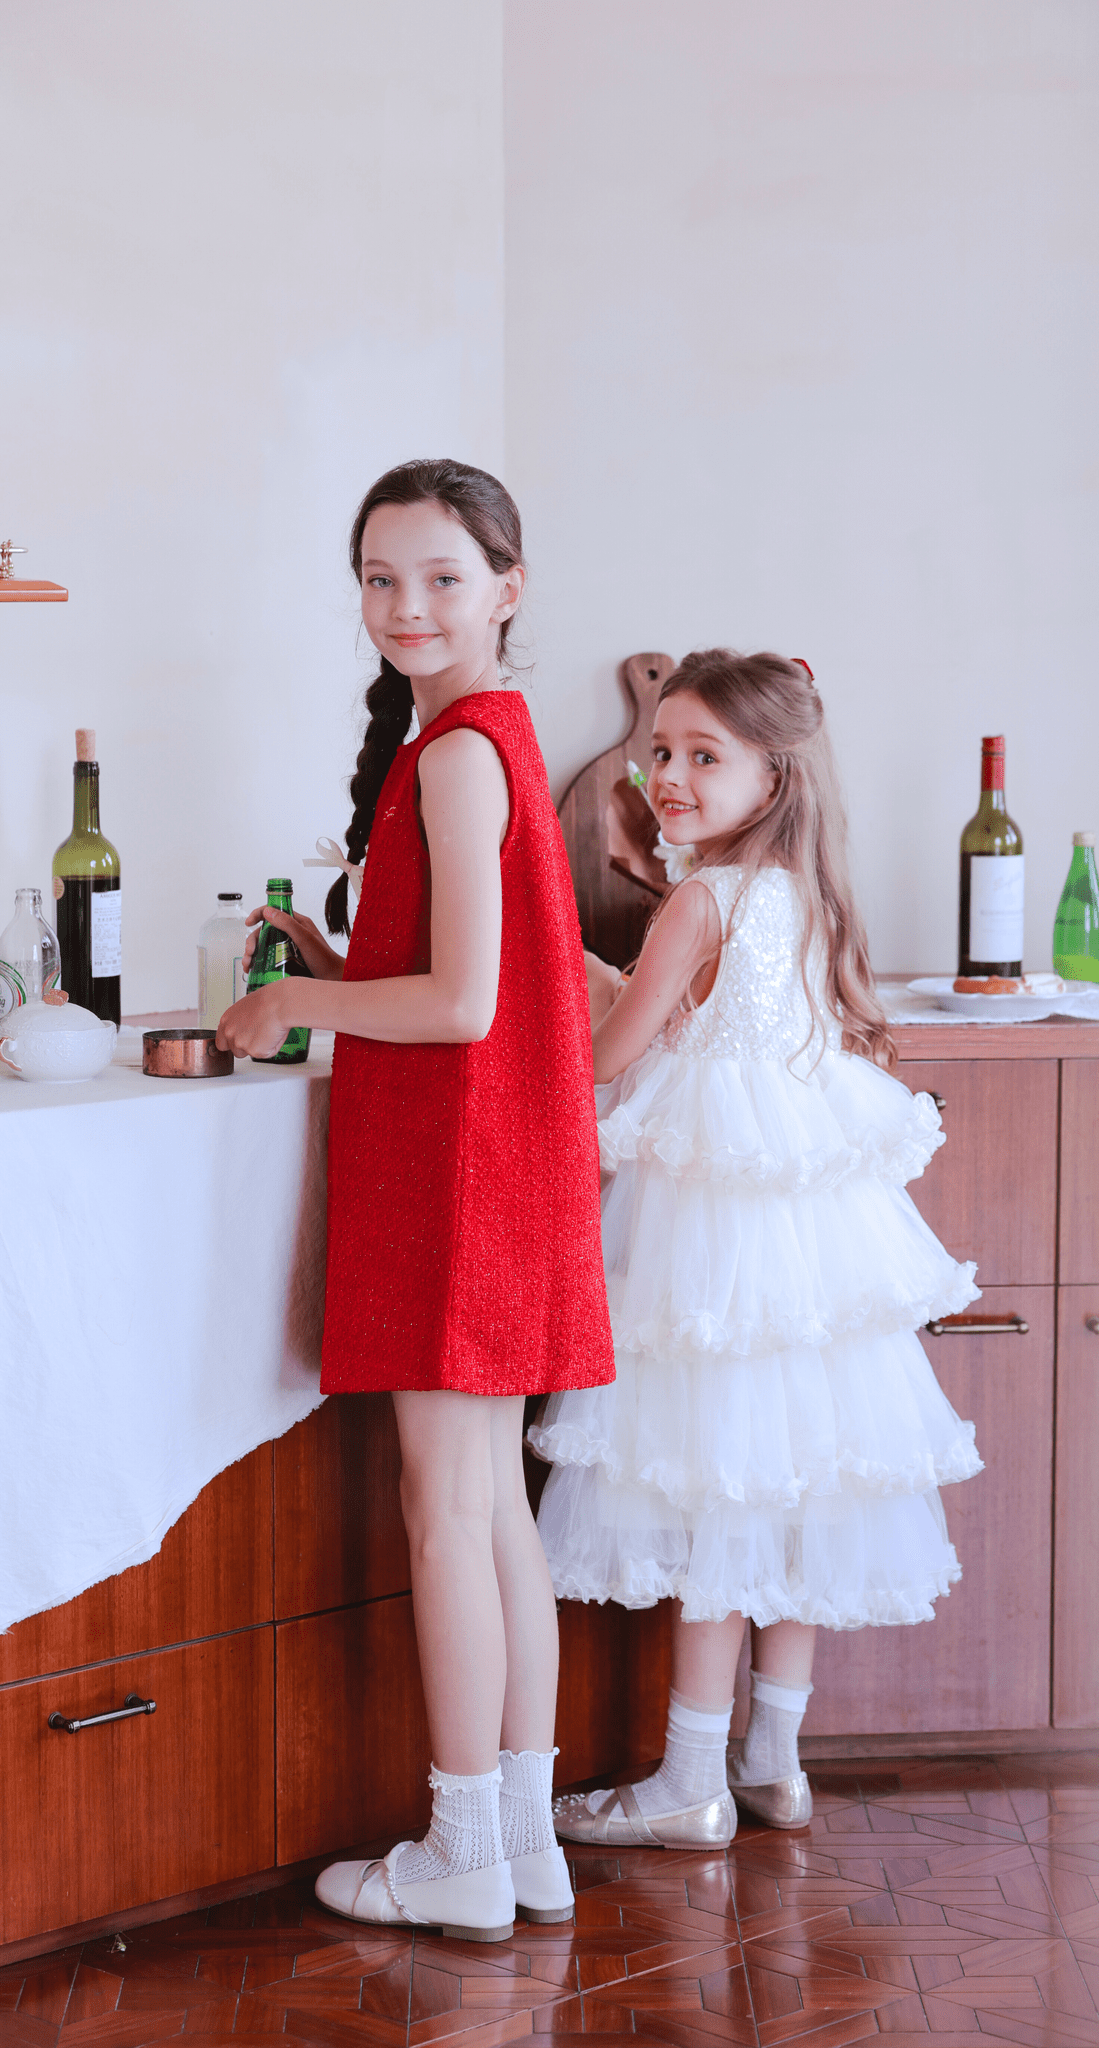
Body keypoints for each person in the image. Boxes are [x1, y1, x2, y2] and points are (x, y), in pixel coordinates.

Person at [218, 459, 613, 1939]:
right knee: (493, 1511)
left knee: (446, 1514)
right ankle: (518, 1836)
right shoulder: (485, 738)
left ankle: (457, 1847)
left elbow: (457, 1004)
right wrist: (325, 945)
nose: (405, 607)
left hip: (456, 1167)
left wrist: (294, 1001)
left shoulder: (454, 754)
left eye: (442, 577)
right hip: (505, 1166)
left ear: (509, 587)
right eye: (381, 578)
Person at [529, 649, 982, 1847]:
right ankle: (773, 1757)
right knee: (798, 1483)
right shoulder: (802, 891)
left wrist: (559, 994)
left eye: (700, 756)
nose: (669, 775)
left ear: (772, 773)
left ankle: (686, 1779)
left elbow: (609, 1056)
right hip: (806, 1249)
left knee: (725, 1483)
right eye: (662, 752)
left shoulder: (702, 901)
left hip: (714, 1250)